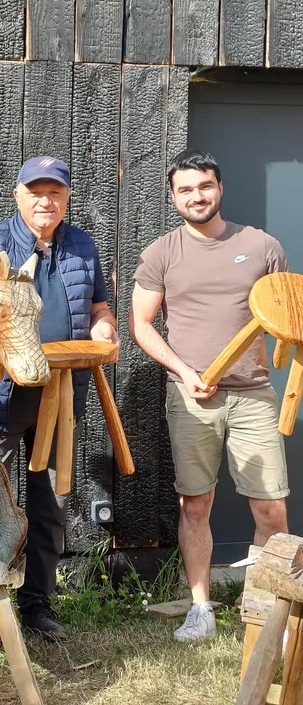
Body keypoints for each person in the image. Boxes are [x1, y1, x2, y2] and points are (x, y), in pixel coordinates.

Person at [0, 156, 118, 666]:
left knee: (49, 507)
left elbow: (99, 305)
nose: (46, 201)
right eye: (36, 191)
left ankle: (37, 605)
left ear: (67, 197)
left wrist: (102, 327)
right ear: (17, 195)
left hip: (60, 396)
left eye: (56, 192)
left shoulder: (83, 246)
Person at [129, 148, 289, 643]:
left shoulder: (262, 246)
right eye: (186, 189)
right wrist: (183, 370)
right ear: (173, 197)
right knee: (195, 505)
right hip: (191, 397)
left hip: (255, 395)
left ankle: (263, 608)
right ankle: (201, 608)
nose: (196, 196)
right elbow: (140, 324)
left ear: (219, 188)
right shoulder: (162, 253)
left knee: (271, 510)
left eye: (204, 186)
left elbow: (286, 314)